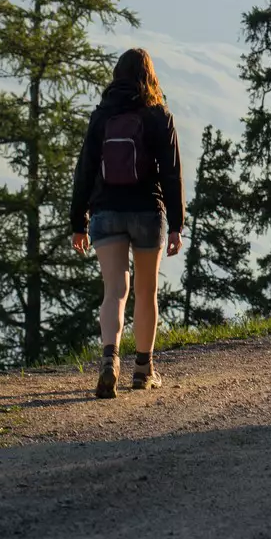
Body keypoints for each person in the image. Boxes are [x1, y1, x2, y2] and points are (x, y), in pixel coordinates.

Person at [70, 48, 185, 398]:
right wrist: (177, 224)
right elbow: (172, 173)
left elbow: (85, 169)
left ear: (117, 75)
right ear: (149, 75)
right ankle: (143, 369)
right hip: (147, 212)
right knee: (146, 291)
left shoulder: (102, 116)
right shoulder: (158, 115)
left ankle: (109, 360)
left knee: (115, 291)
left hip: (106, 212)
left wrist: (79, 222)